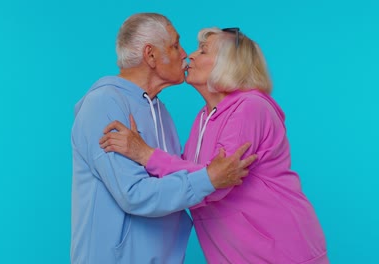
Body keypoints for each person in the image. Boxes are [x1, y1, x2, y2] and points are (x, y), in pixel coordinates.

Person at [100, 27, 329, 263]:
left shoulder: (250, 108)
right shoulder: (203, 118)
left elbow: (217, 182)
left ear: (228, 64)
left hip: (281, 251)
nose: (191, 55)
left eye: (203, 50)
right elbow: (197, 176)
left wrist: (146, 154)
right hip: (235, 253)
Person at [71, 14, 257, 264]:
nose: (185, 54)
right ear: (150, 55)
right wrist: (209, 179)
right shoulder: (104, 104)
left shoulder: (161, 112)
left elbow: (175, 174)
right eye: (175, 45)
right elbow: (133, 194)